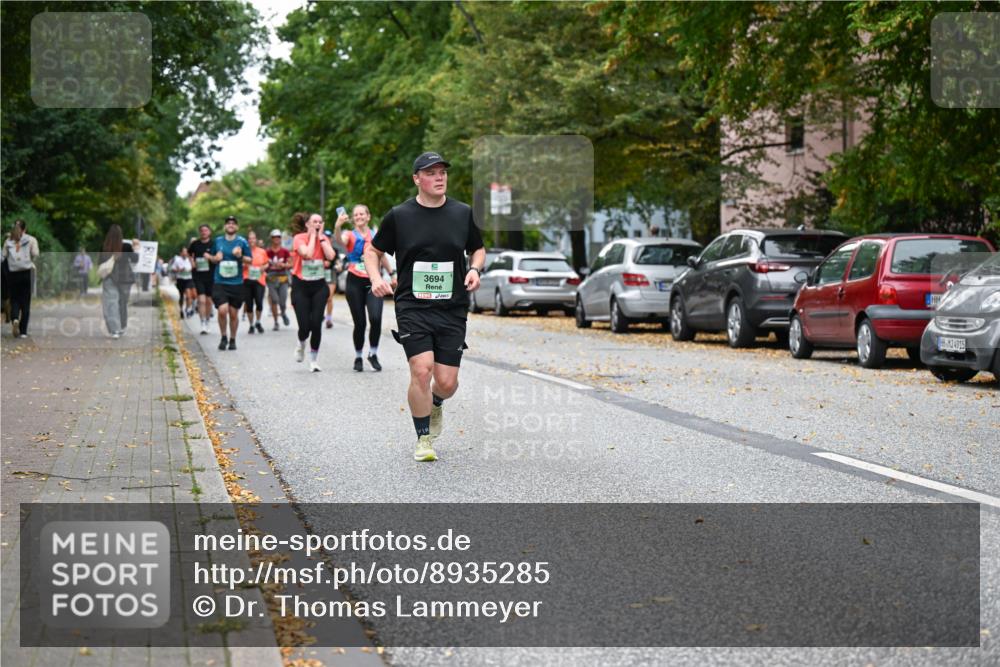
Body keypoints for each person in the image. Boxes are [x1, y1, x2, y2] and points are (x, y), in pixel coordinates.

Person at [365, 152, 485, 462]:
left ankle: (436, 402)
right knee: (421, 369)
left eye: (442, 171)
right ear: (417, 179)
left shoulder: (462, 213)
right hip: (412, 306)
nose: (439, 177)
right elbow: (373, 251)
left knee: (446, 382)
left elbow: (478, 249)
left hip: (452, 307)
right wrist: (376, 278)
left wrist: (474, 269)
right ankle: (423, 439)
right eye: (430, 173)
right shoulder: (399, 216)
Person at [335, 204, 393, 372]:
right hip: (354, 281)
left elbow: (381, 256)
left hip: (374, 282)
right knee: (359, 322)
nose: (359, 217)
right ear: (353, 218)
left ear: (368, 216)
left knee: (375, 318)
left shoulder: (376, 235)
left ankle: (373, 354)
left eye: (362, 214)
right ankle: (358, 356)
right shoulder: (349, 234)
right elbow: (340, 241)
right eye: (356, 215)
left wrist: (392, 273)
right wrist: (338, 226)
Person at [290, 211, 336, 372]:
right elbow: (307, 254)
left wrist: (321, 238)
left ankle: (314, 360)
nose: (317, 224)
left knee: (316, 324)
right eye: (314, 222)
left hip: (319, 286)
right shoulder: (299, 238)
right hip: (300, 286)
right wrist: (312, 237)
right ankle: (301, 343)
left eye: (320, 222)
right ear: (307, 224)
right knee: (305, 326)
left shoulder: (323, 239)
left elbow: (331, 256)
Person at [207, 215, 251, 350]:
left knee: (233, 314)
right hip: (220, 281)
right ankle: (223, 337)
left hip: (236, 283)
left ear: (237, 227)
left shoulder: (242, 242)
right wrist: (215, 258)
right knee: (222, 310)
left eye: (233, 223)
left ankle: (232, 339)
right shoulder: (218, 241)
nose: (230, 225)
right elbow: (211, 258)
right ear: (225, 226)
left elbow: (250, 260)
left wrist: (240, 256)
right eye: (228, 223)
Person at [98, 225, 140, 339]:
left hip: (109, 278)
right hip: (125, 278)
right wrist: (136, 247)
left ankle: (114, 330)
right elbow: (135, 259)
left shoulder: (104, 247)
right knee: (122, 303)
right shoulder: (126, 246)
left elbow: (100, 263)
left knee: (111, 304)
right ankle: (122, 326)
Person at [2, 219, 40, 338]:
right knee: (26, 302)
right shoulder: (31, 240)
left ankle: (14, 319)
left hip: (13, 274)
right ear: (25, 229)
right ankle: (23, 331)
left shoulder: (8, 240)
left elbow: (3, 256)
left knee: (14, 299)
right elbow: (35, 254)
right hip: (26, 273)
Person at [188, 224, 215, 334]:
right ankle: (202, 322)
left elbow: (218, 257)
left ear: (209, 232)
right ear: (200, 232)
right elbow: (189, 254)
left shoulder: (213, 244)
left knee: (208, 301)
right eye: (202, 230)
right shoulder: (195, 244)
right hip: (198, 275)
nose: (204, 232)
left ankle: (207, 320)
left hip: (211, 275)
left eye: (206, 230)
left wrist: (210, 258)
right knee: (201, 300)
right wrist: (192, 262)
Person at [242, 229, 269, 335]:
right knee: (249, 304)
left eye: (253, 238)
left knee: (259, 302)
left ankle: (258, 322)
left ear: (256, 239)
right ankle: (251, 325)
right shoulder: (244, 251)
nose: (251, 240)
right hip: (247, 279)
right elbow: (239, 263)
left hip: (259, 279)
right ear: (247, 240)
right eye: (250, 238)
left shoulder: (262, 251)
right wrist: (243, 265)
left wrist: (263, 268)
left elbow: (267, 263)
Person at [265, 229, 292, 330]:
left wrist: (283, 265)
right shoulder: (267, 252)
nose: (276, 239)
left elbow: (291, 264)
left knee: (282, 301)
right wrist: (267, 267)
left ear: (280, 239)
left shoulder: (285, 251)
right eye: (274, 237)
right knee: (274, 300)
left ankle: (283, 313)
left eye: (278, 237)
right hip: (271, 278)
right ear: (271, 239)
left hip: (283, 278)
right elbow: (263, 263)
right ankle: (276, 322)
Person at [170, 246, 196, 318]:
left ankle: (188, 309)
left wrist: (191, 260)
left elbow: (194, 267)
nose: (185, 253)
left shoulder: (189, 259)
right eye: (184, 252)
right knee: (181, 296)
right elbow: (173, 269)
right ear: (181, 253)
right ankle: (181, 310)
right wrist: (179, 270)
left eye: (186, 252)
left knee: (189, 295)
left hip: (188, 279)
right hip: (180, 279)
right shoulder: (177, 260)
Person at [323, 230, 338, 330]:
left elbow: (337, 261)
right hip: (320, 274)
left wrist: (337, 265)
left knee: (329, 297)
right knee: (320, 298)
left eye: (329, 237)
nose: (327, 239)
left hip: (331, 274)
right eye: (326, 237)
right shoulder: (319, 248)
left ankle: (328, 319)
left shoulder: (335, 250)